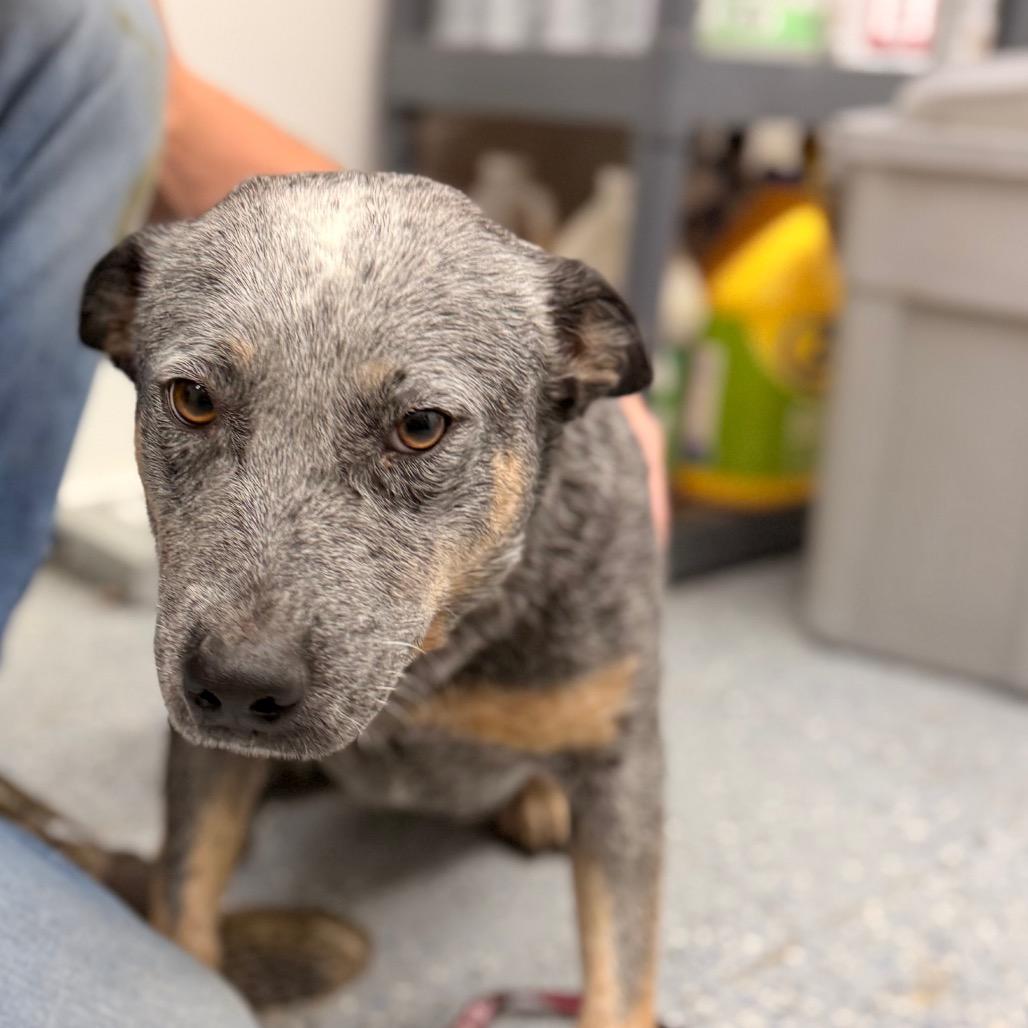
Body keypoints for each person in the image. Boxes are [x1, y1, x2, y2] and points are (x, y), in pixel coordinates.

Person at [0, 1, 668, 1023]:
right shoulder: (229, 643)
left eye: (416, 429)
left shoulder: (590, 540)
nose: (242, 650)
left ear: (580, 374)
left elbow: (619, 766)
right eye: (196, 402)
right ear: (124, 330)